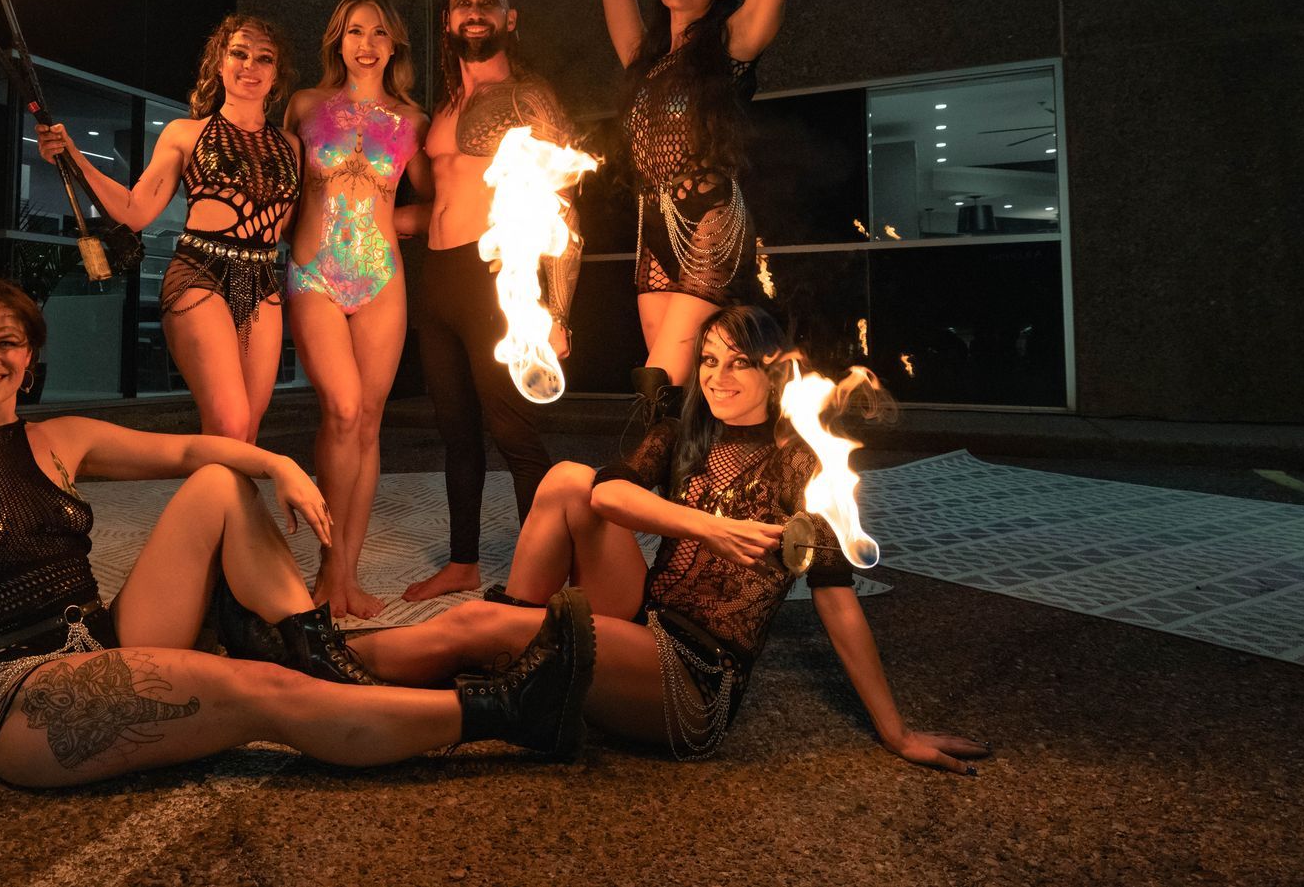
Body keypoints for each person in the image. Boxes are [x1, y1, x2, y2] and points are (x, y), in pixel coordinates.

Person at [0, 276, 599, 788]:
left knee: (215, 484)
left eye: (7, 340)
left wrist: (279, 467)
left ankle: (319, 648)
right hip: (26, 693)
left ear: (31, 356)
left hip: (106, 637)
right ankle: (506, 711)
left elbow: (194, 448)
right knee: (268, 696)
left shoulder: (61, 438)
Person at [351, 304, 988, 772]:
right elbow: (604, 495)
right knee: (570, 479)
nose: (717, 377)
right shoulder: (688, 435)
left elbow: (837, 603)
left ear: (777, 373)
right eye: (709, 361)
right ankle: (516, 650)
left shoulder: (803, 465)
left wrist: (896, 731)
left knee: (475, 625)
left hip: (691, 676)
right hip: (641, 620)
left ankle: (327, 657)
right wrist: (706, 525)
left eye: (739, 363)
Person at [596, 0, 817, 401]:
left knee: (661, 380)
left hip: (711, 228)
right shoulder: (641, 58)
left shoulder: (734, 43)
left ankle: (640, 484)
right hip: (654, 236)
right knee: (683, 389)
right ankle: (691, 484)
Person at [398, 0, 583, 604]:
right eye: (462, 3)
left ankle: (546, 569)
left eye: (488, 2)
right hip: (439, 279)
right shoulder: (442, 109)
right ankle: (463, 562)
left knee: (512, 430)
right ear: (448, 21)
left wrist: (556, 309)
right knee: (456, 431)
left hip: (495, 280)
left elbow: (565, 210)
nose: (474, 11)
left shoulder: (529, 97)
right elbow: (433, 203)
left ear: (510, 19)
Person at [38, 15, 302, 442]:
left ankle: (223, 511)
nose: (249, 65)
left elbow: (291, 225)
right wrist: (74, 157)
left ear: (276, 74)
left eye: (263, 58)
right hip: (200, 273)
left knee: (246, 434)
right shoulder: (185, 133)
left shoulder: (290, 145)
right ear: (219, 63)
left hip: (261, 279)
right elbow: (135, 210)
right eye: (239, 53)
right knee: (230, 423)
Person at [285, 0, 429, 619]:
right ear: (336, 42)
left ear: (393, 43)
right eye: (351, 32)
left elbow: (435, 206)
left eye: (376, 32)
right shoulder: (305, 106)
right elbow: (277, 187)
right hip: (313, 273)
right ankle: (325, 569)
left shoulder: (412, 120)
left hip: (380, 276)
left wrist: (395, 220)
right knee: (341, 410)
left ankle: (347, 575)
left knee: (368, 423)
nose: (364, 44)